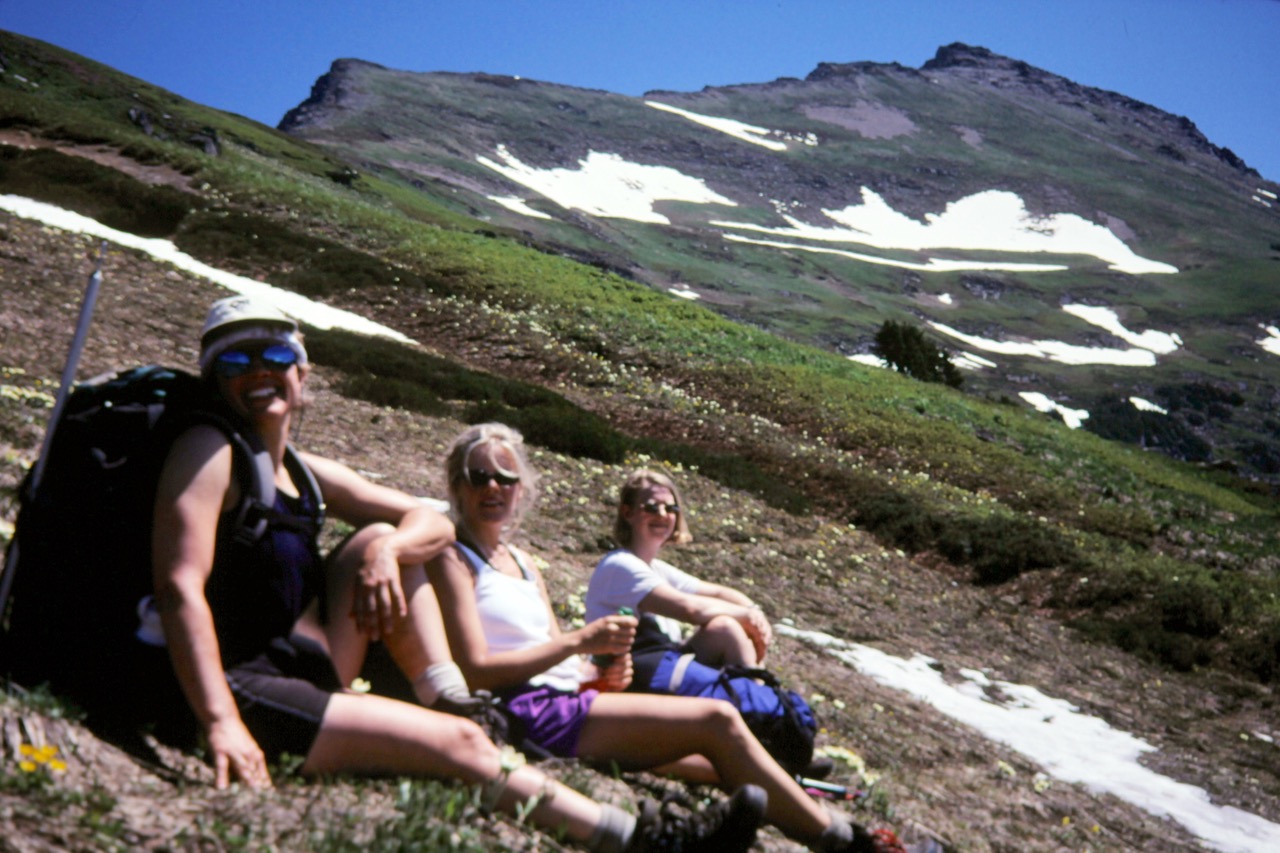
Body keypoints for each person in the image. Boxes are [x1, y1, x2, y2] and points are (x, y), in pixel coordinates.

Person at [150, 294, 764, 853]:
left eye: (276, 353)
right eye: (236, 362)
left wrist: (388, 553)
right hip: (238, 686)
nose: (259, 371)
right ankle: (645, 841)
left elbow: (427, 520)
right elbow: (180, 588)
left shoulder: (298, 470)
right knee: (467, 747)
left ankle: (447, 699)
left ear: (302, 373)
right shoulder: (211, 451)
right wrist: (221, 721)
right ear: (212, 380)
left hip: (296, 666)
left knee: (376, 537)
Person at [427, 423, 916, 853]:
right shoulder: (454, 557)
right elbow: (475, 669)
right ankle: (844, 840)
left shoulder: (524, 563)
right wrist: (580, 643)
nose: (494, 487)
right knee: (718, 722)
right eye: (479, 476)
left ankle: (796, 794)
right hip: (527, 710)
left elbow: (567, 659)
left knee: (715, 756)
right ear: (457, 485)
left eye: (505, 477)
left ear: (521, 488)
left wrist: (599, 671)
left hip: (566, 700)